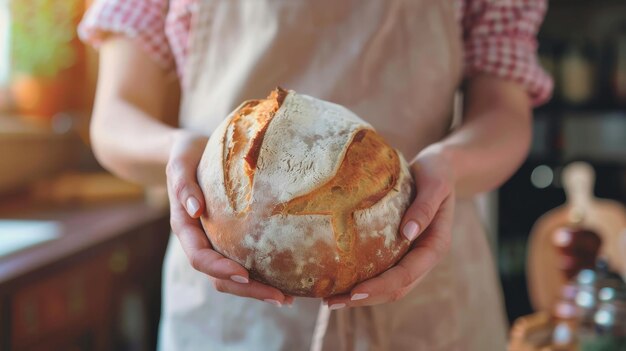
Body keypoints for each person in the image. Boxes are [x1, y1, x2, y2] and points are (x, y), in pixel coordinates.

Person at [79, 0, 552, 350]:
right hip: (230, 303)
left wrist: (449, 164)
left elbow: (503, 115)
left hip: (424, 273)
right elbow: (116, 115)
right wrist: (179, 152)